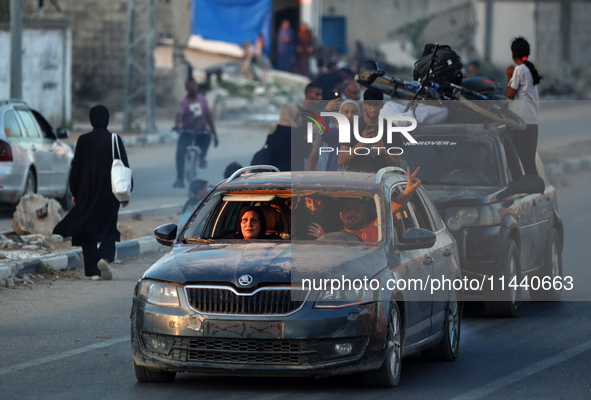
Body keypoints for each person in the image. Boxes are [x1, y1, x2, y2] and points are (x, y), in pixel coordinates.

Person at [53, 105, 131, 281]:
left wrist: (74, 191)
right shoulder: (114, 139)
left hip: (87, 193)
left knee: (87, 229)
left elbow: (76, 168)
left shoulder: (83, 140)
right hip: (110, 194)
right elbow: (124, 166)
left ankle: (93, 271)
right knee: (109, 225)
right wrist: (127, 192)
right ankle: (104, 257)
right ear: (107, 119)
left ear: (91, 120)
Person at [329, 167, 421, 243]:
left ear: (364, 213)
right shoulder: (334, 239)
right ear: (341, 215)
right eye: (347, 210)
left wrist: (407, 191)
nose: (352, 213)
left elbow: (390, 209)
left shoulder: (374, 229)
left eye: (357, 209)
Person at [337, 87, 402, 172]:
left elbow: (397, 165)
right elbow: (340, 161)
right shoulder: (351, 126)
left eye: (376, 105)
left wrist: (384, 152)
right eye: (369, 104)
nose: (373, 109)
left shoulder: (391, 128)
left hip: (382, 178)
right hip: (355, 178)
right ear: (363, 104)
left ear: (381, 105)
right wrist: (361, 143)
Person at [506, 36, 542, 176]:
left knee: (515, 160)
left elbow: (510, 94)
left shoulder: (519, 70)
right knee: (528, 163)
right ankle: (533, 191)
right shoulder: (529, 69)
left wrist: (509, 77)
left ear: (513, 54)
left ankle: (524, 190)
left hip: (521, 123)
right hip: (532, 122)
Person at [173, 78, 218, 188]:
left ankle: (202, 158)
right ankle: (180, 178)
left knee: (208, 137)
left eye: (193, 85)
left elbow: (208, 116)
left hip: (201, 131)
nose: (191, 88)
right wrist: (177, 126)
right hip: (187, 132)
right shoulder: (184, 102)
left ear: (196, 87)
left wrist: (214, 133)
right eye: (189, 86)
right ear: (186, 88)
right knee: (180, 152)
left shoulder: (202, 100)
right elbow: (179, 115)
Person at [307, 99, 360, 171]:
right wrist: (326, 111)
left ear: (358, 114)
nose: (350, 115)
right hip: (335, 175)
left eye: (353, 112)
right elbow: (323, 134)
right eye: (346, 112)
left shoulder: (362, 133)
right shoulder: (334, 132)